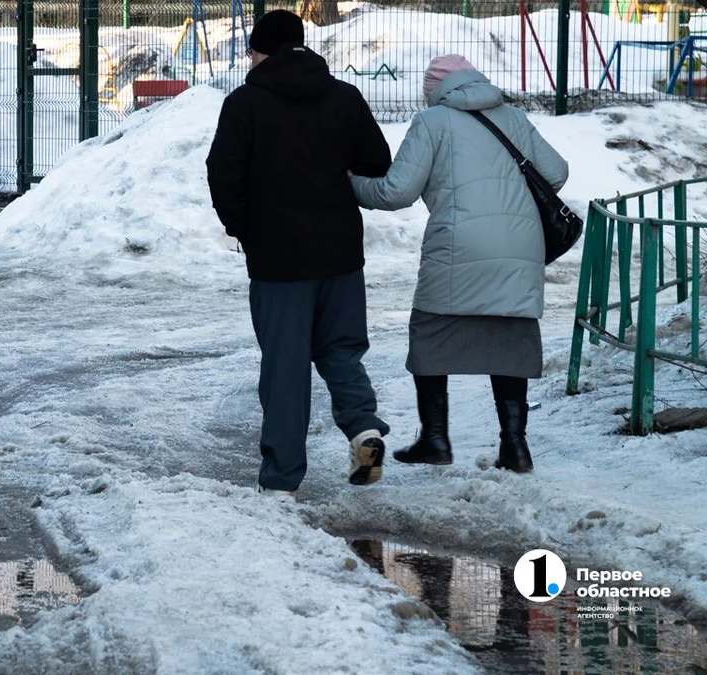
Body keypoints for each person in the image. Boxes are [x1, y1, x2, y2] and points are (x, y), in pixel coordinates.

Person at [349, 54, 569, 473]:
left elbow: (397, 192)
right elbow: (555, 173)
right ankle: (516, 448)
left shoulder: (432, 123)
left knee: (431, 330)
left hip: (459, 242)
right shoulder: (513, 117)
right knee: (509, 337)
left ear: (435, 91)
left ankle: (435, 439)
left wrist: (349, 184)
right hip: (520, 246)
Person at [206, 10, 394, 500]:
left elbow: (223, 173)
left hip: (279, 260)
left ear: (262, 51)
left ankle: (282, 482)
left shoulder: (245, 103)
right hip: (340, 254)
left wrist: (245, 227)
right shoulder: (344, 96)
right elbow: (377, 161)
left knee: (286, 367)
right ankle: (363, 430)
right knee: (341, 351)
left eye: (251, 50)